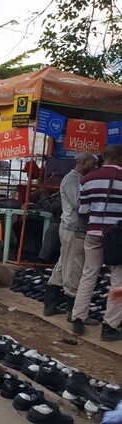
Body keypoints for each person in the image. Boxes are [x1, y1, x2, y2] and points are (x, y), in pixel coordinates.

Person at [72, 144, 122, 341]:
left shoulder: (87, 179)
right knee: (118, 281)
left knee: (88, 274)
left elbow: (83, 211)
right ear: (120, 158)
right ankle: (109, 326)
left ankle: (77, 318)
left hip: (93, 233)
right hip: (118, 237)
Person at [44, 153, 99, 318]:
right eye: (93, 163)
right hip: (74, 228)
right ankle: (74, 312)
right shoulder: (73, 179)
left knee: (63, 265)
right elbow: (79, 204)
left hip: (70, 227)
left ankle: (50, 305)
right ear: (82, 162)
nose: (96, 167)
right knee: (74, 269)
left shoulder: (75, 178)